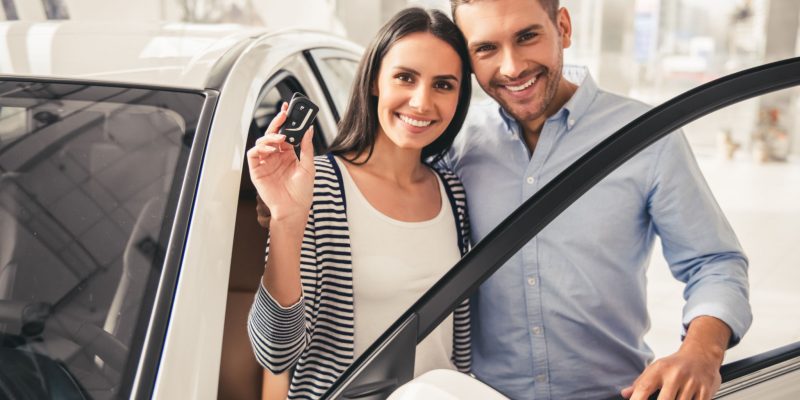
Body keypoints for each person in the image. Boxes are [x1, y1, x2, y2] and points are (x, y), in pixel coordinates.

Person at [443, 0, 752, 399]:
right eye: (486, 49)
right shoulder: (456, 144)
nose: (512, 67)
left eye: (527, 36)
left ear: (563, 27)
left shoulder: (646, 138)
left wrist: (701, 352)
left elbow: (714, 262)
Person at [246, 8, 473, 400]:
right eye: (405, 77)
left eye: (443, 85)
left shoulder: (452, 190)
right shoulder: (321, 186)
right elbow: (275, 352)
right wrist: (287, 219)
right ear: (373, 82)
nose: (421, 102)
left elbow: (459, 346)